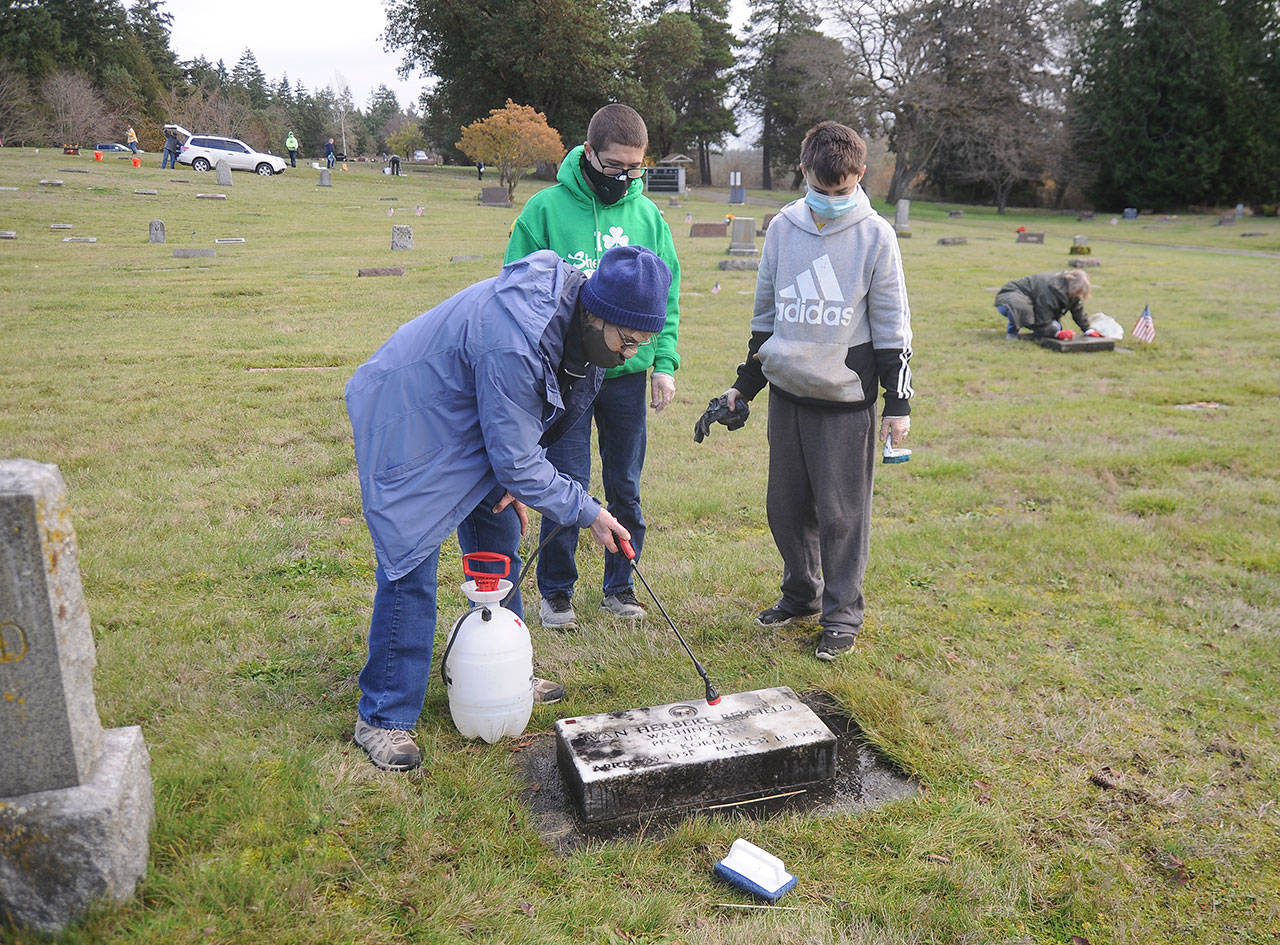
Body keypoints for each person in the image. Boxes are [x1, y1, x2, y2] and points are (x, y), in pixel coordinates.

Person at [346, 245, 673, 771]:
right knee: (410, 559)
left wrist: (519, 474)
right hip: (412, 417)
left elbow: (528, 428)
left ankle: (508, 671)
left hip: (471, 410)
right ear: (596, 313)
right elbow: (517, 457)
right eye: (626, 341)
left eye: (642, 344)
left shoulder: (577, 327)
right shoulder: (517, 337)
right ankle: (383, 715)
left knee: (498, 529)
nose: (631, 354)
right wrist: (587, 510)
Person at [714, 121, 914, 661]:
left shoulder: (877, 236)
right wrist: (744, 387)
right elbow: (766, 316)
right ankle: (801, 595)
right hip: (788, 395)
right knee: (786, 507)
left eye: (842, 190)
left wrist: (899, 403)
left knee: (842, 515)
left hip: (846, 401)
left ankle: (842, 614)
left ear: (860, 176)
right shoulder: (783, 227)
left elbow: (893, 325)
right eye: (822, 191)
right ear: (804, 173)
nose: (831, 201)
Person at [505, 103, 681, 631]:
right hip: (567, 377)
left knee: (624, 483)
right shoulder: (543, 211)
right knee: (567, 479)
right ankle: (556, 592)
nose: (624, 179)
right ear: (587, 154)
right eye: (613, 167)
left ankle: (620, 586)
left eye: (635, 169)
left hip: (627, 377)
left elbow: (666, 300)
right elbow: (515, 293)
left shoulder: (648, 218)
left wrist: (664, 362)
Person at [995, 270, 1098, 340]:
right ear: (1071, 285)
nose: (1077, 296)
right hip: (1010, 298)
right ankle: (1012, 332)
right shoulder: (1049, 289)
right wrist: (1056, 333)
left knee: (1055, 327)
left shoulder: (1072, 291)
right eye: (1076, 293)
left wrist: (1088, 329)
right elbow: (1043, 317)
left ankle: (1034, 333)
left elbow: (1077, 311)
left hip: (1032, 302)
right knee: (1021, 310)